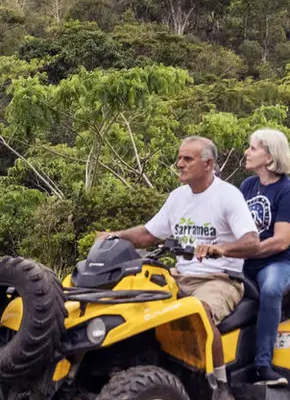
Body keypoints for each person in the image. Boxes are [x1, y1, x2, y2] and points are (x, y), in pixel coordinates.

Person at [101, 136, 259, 325]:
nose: (179, 164)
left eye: (187, 159)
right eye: (179, 158)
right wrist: (113, 236)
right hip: (178, 277)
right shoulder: (177, 197)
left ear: (208, 164)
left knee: (197, 317)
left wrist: (221, 249)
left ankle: (215, 356)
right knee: (133, 310)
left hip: (218, 280)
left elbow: (252, 242)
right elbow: (148, 235)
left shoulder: (228, 195)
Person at [236, 128, 290, 389]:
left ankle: (263, 364)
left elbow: (281, 241)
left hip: (280, 263)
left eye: (252, 148)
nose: (247, 152)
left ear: (269, 156)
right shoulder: (247, 186)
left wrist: (246, 251)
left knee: (271, 288)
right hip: (248, 261)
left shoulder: (289, 193)